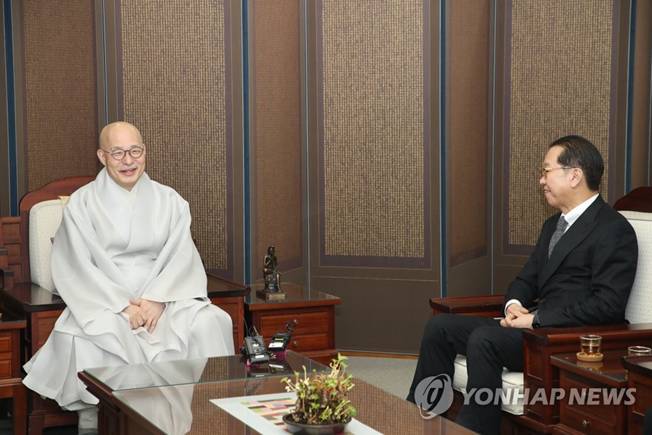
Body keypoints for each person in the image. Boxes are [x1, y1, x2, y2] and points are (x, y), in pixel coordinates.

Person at [407, 135, 638, 434]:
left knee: (484, 340)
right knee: (440, 328)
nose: (541, 180)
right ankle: (422, 415)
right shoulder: (553, 224)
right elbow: (526, 279)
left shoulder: (613, 229)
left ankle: (475, 429)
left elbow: (608, 305)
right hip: (535, 330)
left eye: (546, 171)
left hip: (565, 338)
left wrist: (536, 318)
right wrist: (514, 305)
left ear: (574, 175)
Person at [22, 121, 234, 434]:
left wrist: (158, 300)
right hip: (104, 298)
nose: (128, 160)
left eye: (135, 151)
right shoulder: (82, 203)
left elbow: (182, 255)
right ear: (102, 156)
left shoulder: (170, 200)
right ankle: (112, 421)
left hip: (164, 294)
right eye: (118, 153)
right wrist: (123, 305)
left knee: (213, 321)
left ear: (145, 153)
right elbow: (75, 264)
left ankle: (209, 414)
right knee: (101, 334)